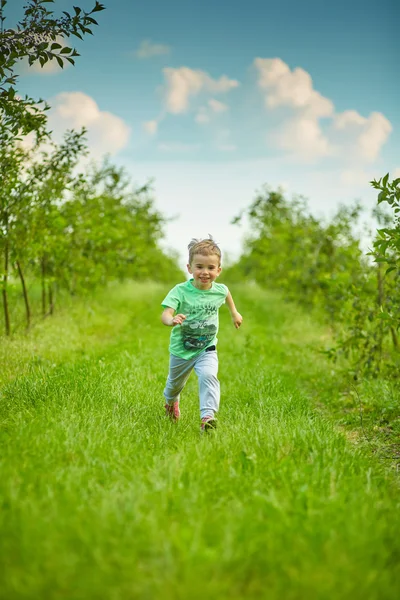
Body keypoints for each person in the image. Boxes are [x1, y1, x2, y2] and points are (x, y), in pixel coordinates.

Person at [161, 235, 243, 432]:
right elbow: (166, 313)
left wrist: (234, 313)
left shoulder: (219, 290)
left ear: (218, 270)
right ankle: (171, 402)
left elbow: (226, 294)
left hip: (207, 348)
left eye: (210, 268)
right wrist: (171, 320)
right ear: (189, 268)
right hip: (182, 349)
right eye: (199, 267)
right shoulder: (180, 291)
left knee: (208, 375)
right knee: (174, 386)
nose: (205, 272)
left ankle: (207, 417)